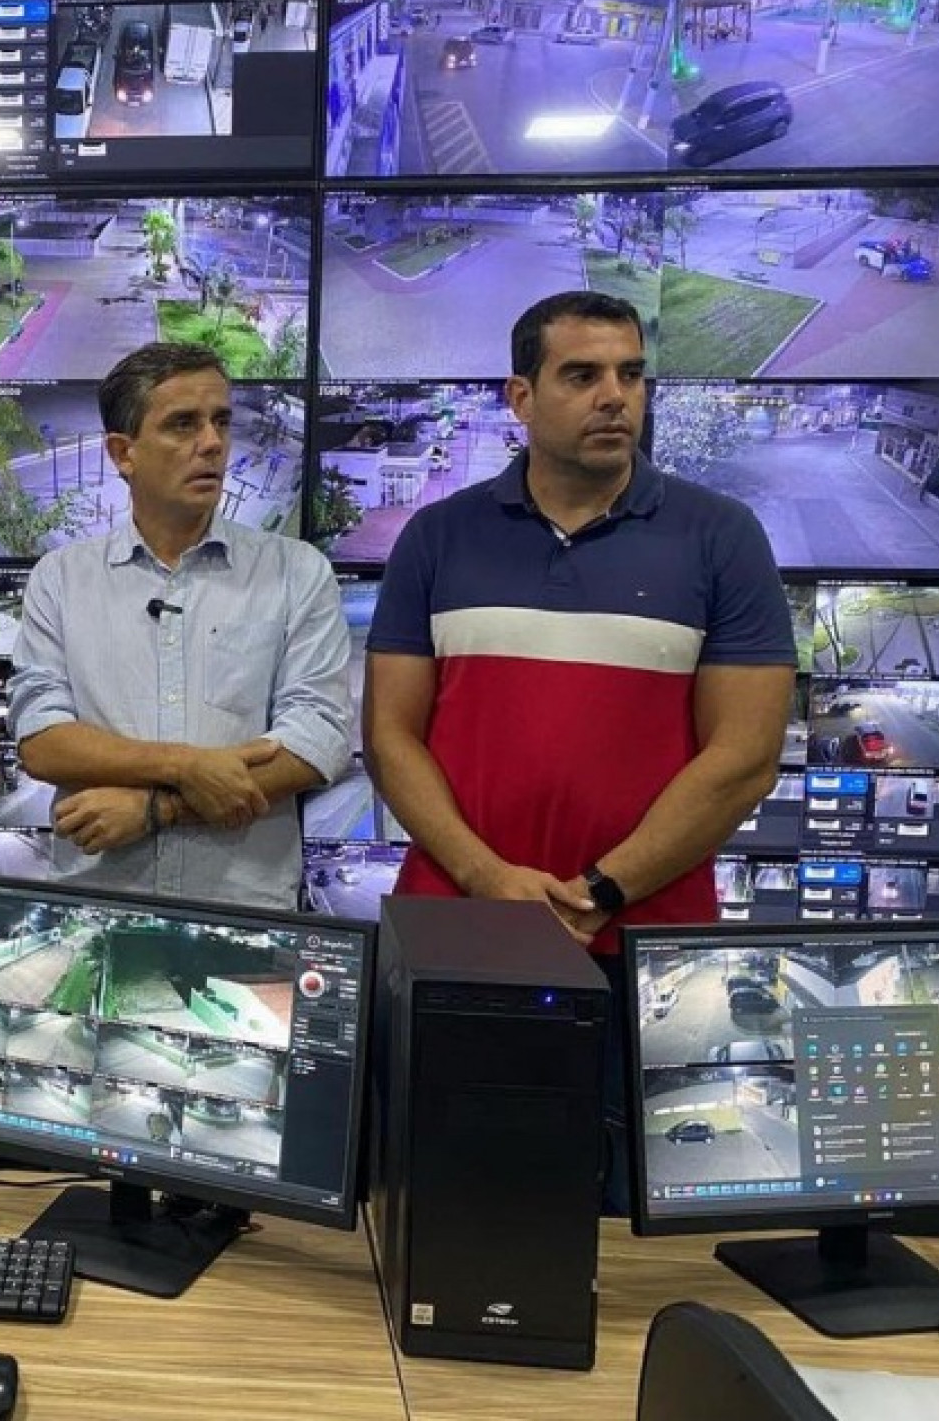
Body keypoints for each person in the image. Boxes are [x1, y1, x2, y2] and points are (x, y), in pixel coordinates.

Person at [362, 291, 794, 1206]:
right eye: (583, 375)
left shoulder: (721, 539)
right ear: (519, 397)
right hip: (460, 929)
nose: (615, 397)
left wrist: (601, 889)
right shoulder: (439, 536)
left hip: (646, 946)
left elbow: (745, 757)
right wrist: (486, 878)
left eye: (631, 375)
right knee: (441, 1206)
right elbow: (390, 735)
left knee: (620, 1213)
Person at [7, 342, 353, 908]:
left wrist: (157, 809)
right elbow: (42, 742)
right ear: (123, 453)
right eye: (183, 425)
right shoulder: (61, 578)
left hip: (248, 912)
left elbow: (318, 740)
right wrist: (186, 765)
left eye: (221, 421)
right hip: (98, 907)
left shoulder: (297, 572)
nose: (213, 443)